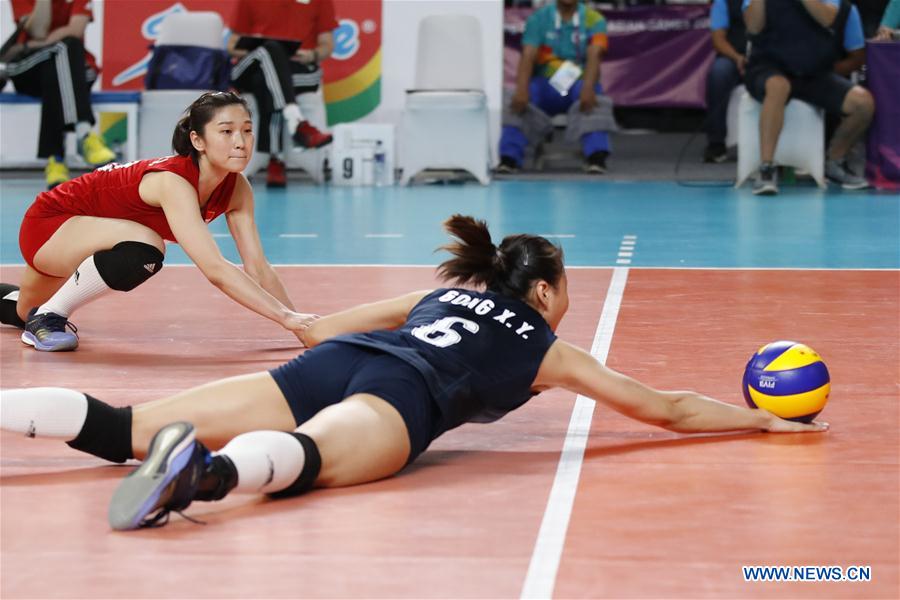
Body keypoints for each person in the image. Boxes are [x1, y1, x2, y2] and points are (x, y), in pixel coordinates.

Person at [0, 215, 827, 531]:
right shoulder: (547, 348)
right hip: (403, 397)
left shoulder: (445, 292)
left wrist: (296, 325)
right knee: (309, 461)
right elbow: (669, 410)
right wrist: (762, 418)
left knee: (125, 425)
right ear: (543, 292)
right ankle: (206, 476)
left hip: (334, 362)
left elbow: (333, 323)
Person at [0, 91, 316, 352]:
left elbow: (258, 268)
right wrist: (285, 317)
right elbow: (215, 269)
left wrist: (301, 327)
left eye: (247, 130)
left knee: (21, 311)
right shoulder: (173, 182)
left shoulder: (237, 188)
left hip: (90, 236)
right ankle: (51, 317)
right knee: (147, 245)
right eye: (226, 131)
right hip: (52, 225)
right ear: (198, 141)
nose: (241, 141)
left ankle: (38, 312)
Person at [743, 0, 875, 195]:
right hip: (768, 68)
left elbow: (828, 18)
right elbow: (754, 27)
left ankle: (834, 161)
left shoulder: (842, 5)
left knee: (863, 104)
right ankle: (766, 169)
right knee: (779, 87)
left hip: (815, 73)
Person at [5, 0, 117, 189]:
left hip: (67, 67)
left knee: (60, 64)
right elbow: (38, 30)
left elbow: (76, 29)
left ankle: (55, 160)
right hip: (28, 67)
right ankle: (85, 133)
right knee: (64, 48)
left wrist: (47, 42)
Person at [228, 0, 338, 188]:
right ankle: (296, 123)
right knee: (270, 49)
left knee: (269, 83)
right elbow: (231, 46)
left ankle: (275, 158)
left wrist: (311, 55)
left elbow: (326, 44)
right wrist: (262, 49)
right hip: (251, 67)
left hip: (295, 69)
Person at [497, 0, 615, 175]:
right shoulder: (538, 19)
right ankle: (509, 158)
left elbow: (595, 54)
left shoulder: (595, 19)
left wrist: (588, 87)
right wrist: (522, 89)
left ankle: (596, 157)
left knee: (595, 99)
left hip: (579, 82)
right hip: (545, 83)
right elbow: (528, 54)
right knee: (514, 99)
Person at [704, 0, 749, 163]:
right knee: (718, 73)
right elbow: (718, 39)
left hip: (768, 58)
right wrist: (738, 57)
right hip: (734, 57)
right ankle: (716, 143)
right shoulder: (723, 2)